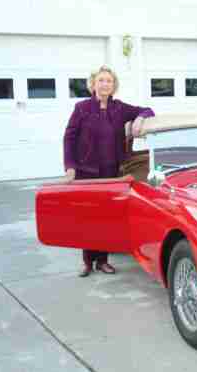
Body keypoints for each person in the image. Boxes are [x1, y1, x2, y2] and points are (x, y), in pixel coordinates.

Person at [63, 66, 154, 277]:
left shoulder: (119, 108)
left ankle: (103, 261)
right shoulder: (81, 108)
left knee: (106, 216)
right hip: (86, 171)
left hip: (112, 171)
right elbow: (69, 138)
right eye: (101, 80)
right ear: (93, 84)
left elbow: (147, 110)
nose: (105, 84)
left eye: (109, 81)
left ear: (114, 86)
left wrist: (139, 119)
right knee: (88, 216)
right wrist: (70, 167)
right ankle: (87, 261)